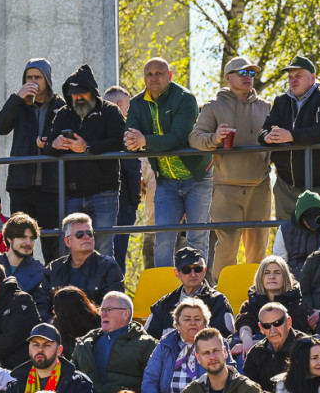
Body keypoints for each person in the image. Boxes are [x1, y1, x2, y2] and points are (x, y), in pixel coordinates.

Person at [189, 56, 272, 278]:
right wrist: (215, 138)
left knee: (258, 250)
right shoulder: (213, 106)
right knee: (226, 248)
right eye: (242, 73)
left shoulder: (267, 107)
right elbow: (195, 138)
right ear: (228, 77)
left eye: (252, 73)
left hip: (259, 187)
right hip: (226, 187)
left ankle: (257, 298)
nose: (248, 78)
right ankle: (222, 297)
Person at [124, 57, 212, 268]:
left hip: (196, 176)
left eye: (159, 73)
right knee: (162, 238)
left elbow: (178, 138)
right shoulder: (136, 103)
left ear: (170, 76)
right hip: (165, 179)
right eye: (149, 74)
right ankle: (164, 292)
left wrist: (144, 141)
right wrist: (132, 140)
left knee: (196, 237)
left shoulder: (185, 98)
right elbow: (131, 135)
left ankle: (196, 288)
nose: (153, 78)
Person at [44, 63, 126, 258]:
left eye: (82, 93)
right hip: (71, 193)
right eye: (74, 94)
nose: (78, 97)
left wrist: (88, 148)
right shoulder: (63, 114)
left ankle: (105, 289)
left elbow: (120, 141)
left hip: (104, 191)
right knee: (70, 247)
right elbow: (48, 146)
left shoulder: (110, 111)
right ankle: (72, 289)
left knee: (104, 247)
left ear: (92, 92)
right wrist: (55, 144)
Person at [0, 58, 64, 260]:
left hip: (51, 187)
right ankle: (20, 286)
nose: (33, 81)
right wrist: (16, 98)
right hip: (21, 185)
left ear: (47, 79)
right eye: (28, 77)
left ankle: (53, 289)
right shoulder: (19, 105)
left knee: (53, 245)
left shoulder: (61, 105)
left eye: (37, 77)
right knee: (19, 241)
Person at [259, 55, 320, 219]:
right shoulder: (281, 101)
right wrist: (267, 137)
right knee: (287, 235)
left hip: (319, 185)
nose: (293, 80)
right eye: (290, 77)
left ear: (313, 77)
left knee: (319, 235)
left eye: (298, 76)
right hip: (285, 184)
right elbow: (265, 129)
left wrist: (291, 136)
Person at [71, 291, 155, 393]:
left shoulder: (147, 345)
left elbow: (152, 385)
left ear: (125, 313)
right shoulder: (84, 344)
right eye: (101, 310)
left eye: (108, 310)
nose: (102, 314)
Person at [141, 299, 218, 393]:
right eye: (187, 319)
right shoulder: (165, 344)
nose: (192, 323)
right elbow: (149, 380)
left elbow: (228, 380)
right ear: (177, 323)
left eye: (197, 319)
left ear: (205, 322)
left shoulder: (217, 342)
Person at [38, 213, 125, 318]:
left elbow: (113, 307)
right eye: (80, 234)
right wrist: (50, 324)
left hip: (96, 330)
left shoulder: (109, 267)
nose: (86, 237)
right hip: (57, 329)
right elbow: (41, 305)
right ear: (68, 241)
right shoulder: (53, 269)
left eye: (89, 233)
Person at [144, 246, 234, 340]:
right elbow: (148, 341)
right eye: (186, 270)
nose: (193, 274)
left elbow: (224, 340)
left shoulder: (218, 301)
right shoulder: (164, 304)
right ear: (177, 273)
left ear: (204, 270)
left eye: (198, 269)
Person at [102, 85, 141, 274]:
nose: (129, 111)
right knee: (117, 257)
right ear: (120, 104)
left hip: (96, 201)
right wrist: (135, 201)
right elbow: (132, 168)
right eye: (128, 106)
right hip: (123, 201)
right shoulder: (125, 129)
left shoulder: (93, 128)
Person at [234, 256, 309, 340]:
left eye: (277, 273)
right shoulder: (250, 304)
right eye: (266, 273)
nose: (272, 277)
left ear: (285, 277)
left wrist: (255, 344)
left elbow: (293, 335)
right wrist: (247, 340)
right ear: (260, 277)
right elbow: (245, 325)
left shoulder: (297, 305)